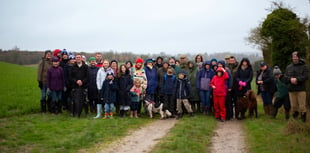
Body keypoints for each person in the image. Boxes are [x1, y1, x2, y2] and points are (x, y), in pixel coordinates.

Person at [283, 51, 308, 122]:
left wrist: (297, 79)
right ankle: (295, 122)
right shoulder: (288, 67)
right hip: (291, 90)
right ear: (292, 57)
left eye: (296, 57)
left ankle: (303, 122)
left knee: (302, 106)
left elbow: (306, 76)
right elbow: (285, 77)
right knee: (294, 107)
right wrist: (290, 79)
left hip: (301, 89)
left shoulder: (304, 66)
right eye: (293, 57)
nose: (295, 58)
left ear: (299, 58)